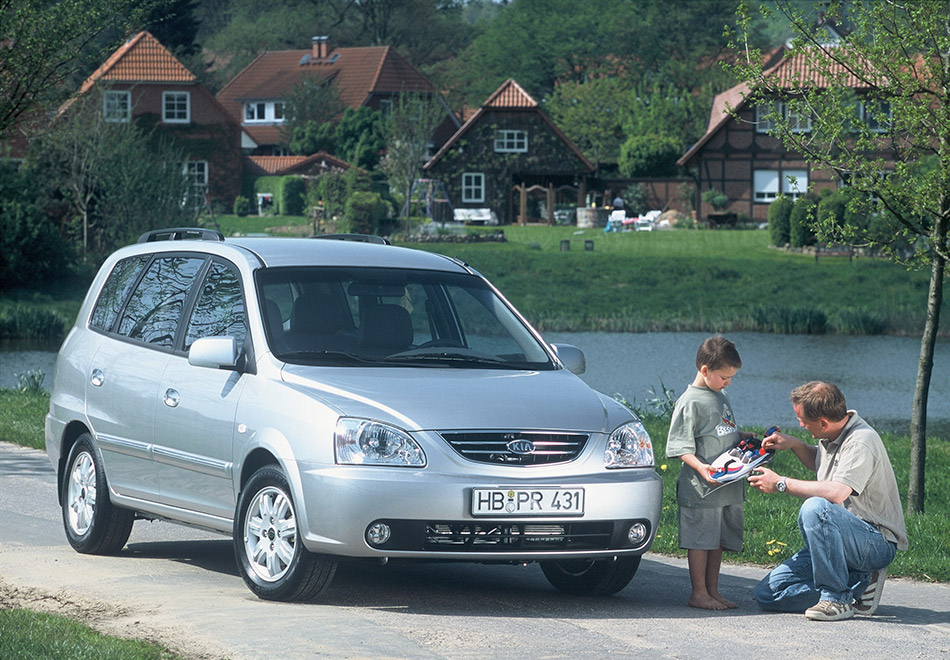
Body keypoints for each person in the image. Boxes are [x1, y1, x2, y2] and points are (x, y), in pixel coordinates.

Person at [748, 381, 908, 621]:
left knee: (816, 507)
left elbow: (837, 492)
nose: (800, 424)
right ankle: (856, 583)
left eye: (803, 420)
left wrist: (781, 483)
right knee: (768, 594)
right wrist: (795, 445)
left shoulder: (861, 441)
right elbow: (823, 464)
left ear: (823, 422)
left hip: (875, 543)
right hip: (839, 540)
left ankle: (837, 598)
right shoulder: (833, 432)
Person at [666, 335, 754, 610]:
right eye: (724, 377)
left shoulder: (720, 395)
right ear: (705, 370)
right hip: (702, 485)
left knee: (716, 541)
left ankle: (713, 591)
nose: (728, 382)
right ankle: (699, 593)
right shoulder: (690, 401)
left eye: (731, 378)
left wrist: (743, 435)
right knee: (701, 540)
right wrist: (700, 466)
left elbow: (719, 430)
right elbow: (680, 445)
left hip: (725, 484)